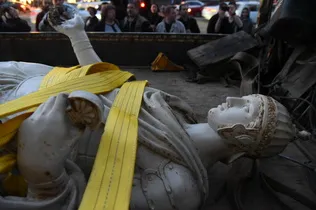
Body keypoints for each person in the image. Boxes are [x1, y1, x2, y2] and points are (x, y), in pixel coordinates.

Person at [0, 13, 303, 210]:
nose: (233, 99)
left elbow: (78, 202)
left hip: (14, 128)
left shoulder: (178, 188)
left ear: (247, 138)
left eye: (247, 108)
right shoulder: (177, 108)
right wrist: (79, 37)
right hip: (32, 78)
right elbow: (112, 83)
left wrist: (39, 169)